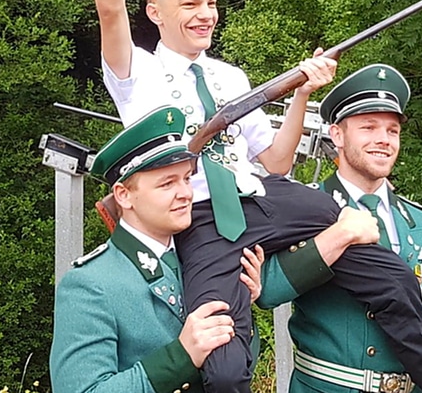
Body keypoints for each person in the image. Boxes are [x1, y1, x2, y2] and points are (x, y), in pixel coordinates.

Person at [82, 0, 422, 393]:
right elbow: (109, 8)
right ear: (155, 12)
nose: (206, 14)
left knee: (391, 273)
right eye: (190, 4)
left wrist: (301, 92)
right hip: (205, 218)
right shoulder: (134, 71)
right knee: (224, 367)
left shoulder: (230, 76)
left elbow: (276, 163)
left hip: (266, 199)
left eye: (212, 3)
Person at [259, 63, 422, 393]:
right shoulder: (303, 208)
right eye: (368, 127)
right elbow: (267, 290)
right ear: (337, 135)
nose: (383, 140)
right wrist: (337, 238)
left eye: (392, 131)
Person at [50, 106, 266, 393]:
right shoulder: (90, 285)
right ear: (124, 195)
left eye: (186, 179)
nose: (186, 194)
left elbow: (234, 373)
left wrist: (240, 307)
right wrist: (181, 357)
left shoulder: (206, 258)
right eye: (167, 184)